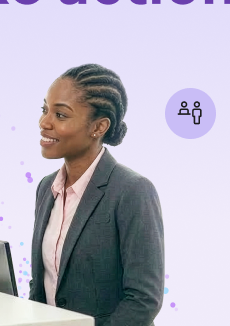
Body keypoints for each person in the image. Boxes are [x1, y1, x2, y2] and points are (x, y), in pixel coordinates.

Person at [28, 64, 164, 326]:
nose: (44, 123)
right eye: (45, 110)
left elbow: (143, 299)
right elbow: (43, 281)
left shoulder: (132, 190)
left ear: (99, 127)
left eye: (60, 115)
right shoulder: (47, 187)